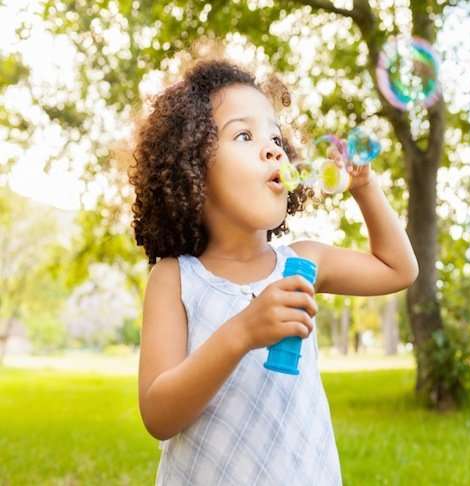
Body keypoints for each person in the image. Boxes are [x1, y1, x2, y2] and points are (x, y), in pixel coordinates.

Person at [130, 58, 419, 485]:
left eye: (276, 137)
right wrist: (241, 332)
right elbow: (158, 415)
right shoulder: (175, 279)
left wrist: (364, 188)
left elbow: (398, 269)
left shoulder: (302, 262)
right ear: (192, 169)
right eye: (244, 135)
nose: (274, 149)